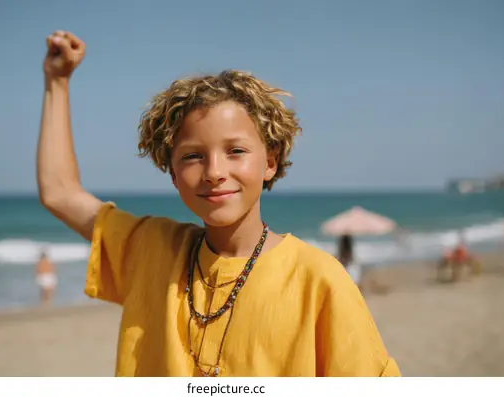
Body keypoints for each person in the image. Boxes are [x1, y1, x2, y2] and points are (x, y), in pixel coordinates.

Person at [36, 30, 400, 377]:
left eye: (236, 151)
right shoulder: (152, 250)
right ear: (172, 172)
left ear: (270, 161)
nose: (214, 172)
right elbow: (59, 192)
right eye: (193, 156)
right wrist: (57, 81)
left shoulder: (317, 280)